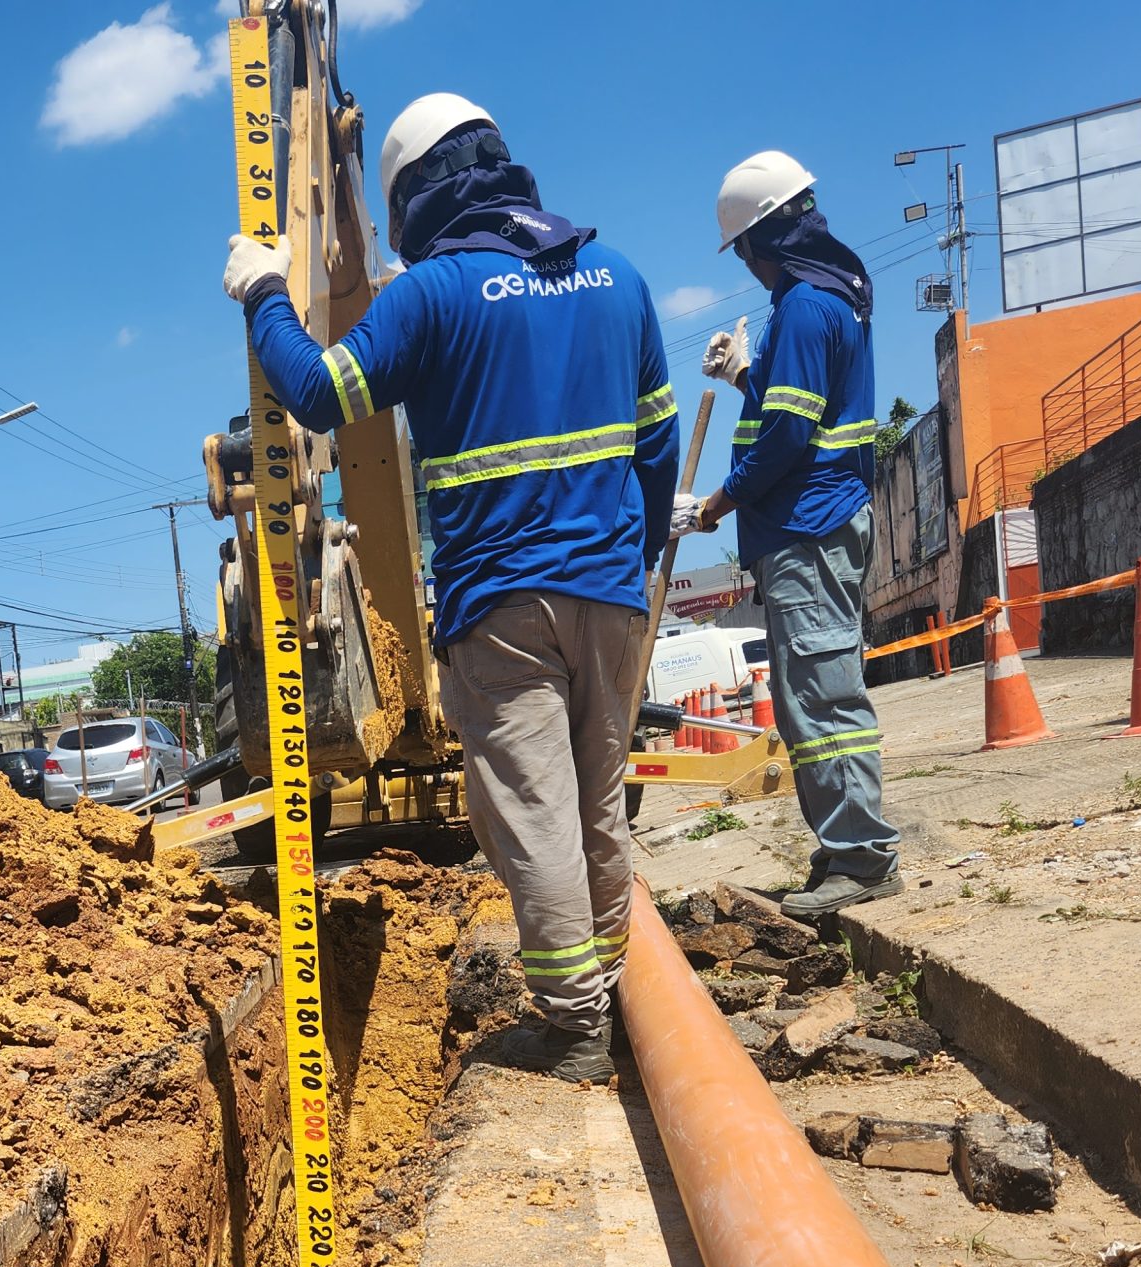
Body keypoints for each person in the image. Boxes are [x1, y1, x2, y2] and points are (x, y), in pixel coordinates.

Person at [223, 94, 677, 1083]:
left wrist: (264, 293)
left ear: (410, 198)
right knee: (597, 801)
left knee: (534, 814)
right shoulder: (618, 277)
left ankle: (575, 1026)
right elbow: (658, 445)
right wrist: (632, 560)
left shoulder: (430, 295)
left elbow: (319, 394)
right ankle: (611, 993)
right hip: (611, 591)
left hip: (501, 604)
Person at [691, 152, 901, 918]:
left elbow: (785, 436)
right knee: (805, 697)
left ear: (764, 236)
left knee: (822, 695)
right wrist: (744, 376)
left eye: (742, 249)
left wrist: (715, 504)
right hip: (807, 526)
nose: (744, 265)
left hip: (809, 526)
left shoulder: (808, 307)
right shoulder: (818, 300)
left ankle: (863, 856)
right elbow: (796, 407)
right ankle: (845, 850)